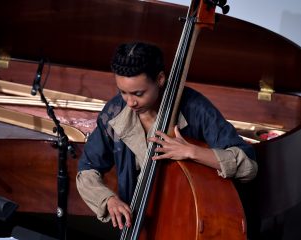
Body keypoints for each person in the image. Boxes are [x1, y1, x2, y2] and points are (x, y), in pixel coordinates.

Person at [76, 42, 257, 230]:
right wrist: (108, 200)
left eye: (138, 93)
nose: (130, 102)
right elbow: (87, 170)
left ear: (160, 79)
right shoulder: (114, 112)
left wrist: (192, 151)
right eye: (123, 92)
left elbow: (248, 166)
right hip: (140, 225)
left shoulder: (195, 108)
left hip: (187, 222)